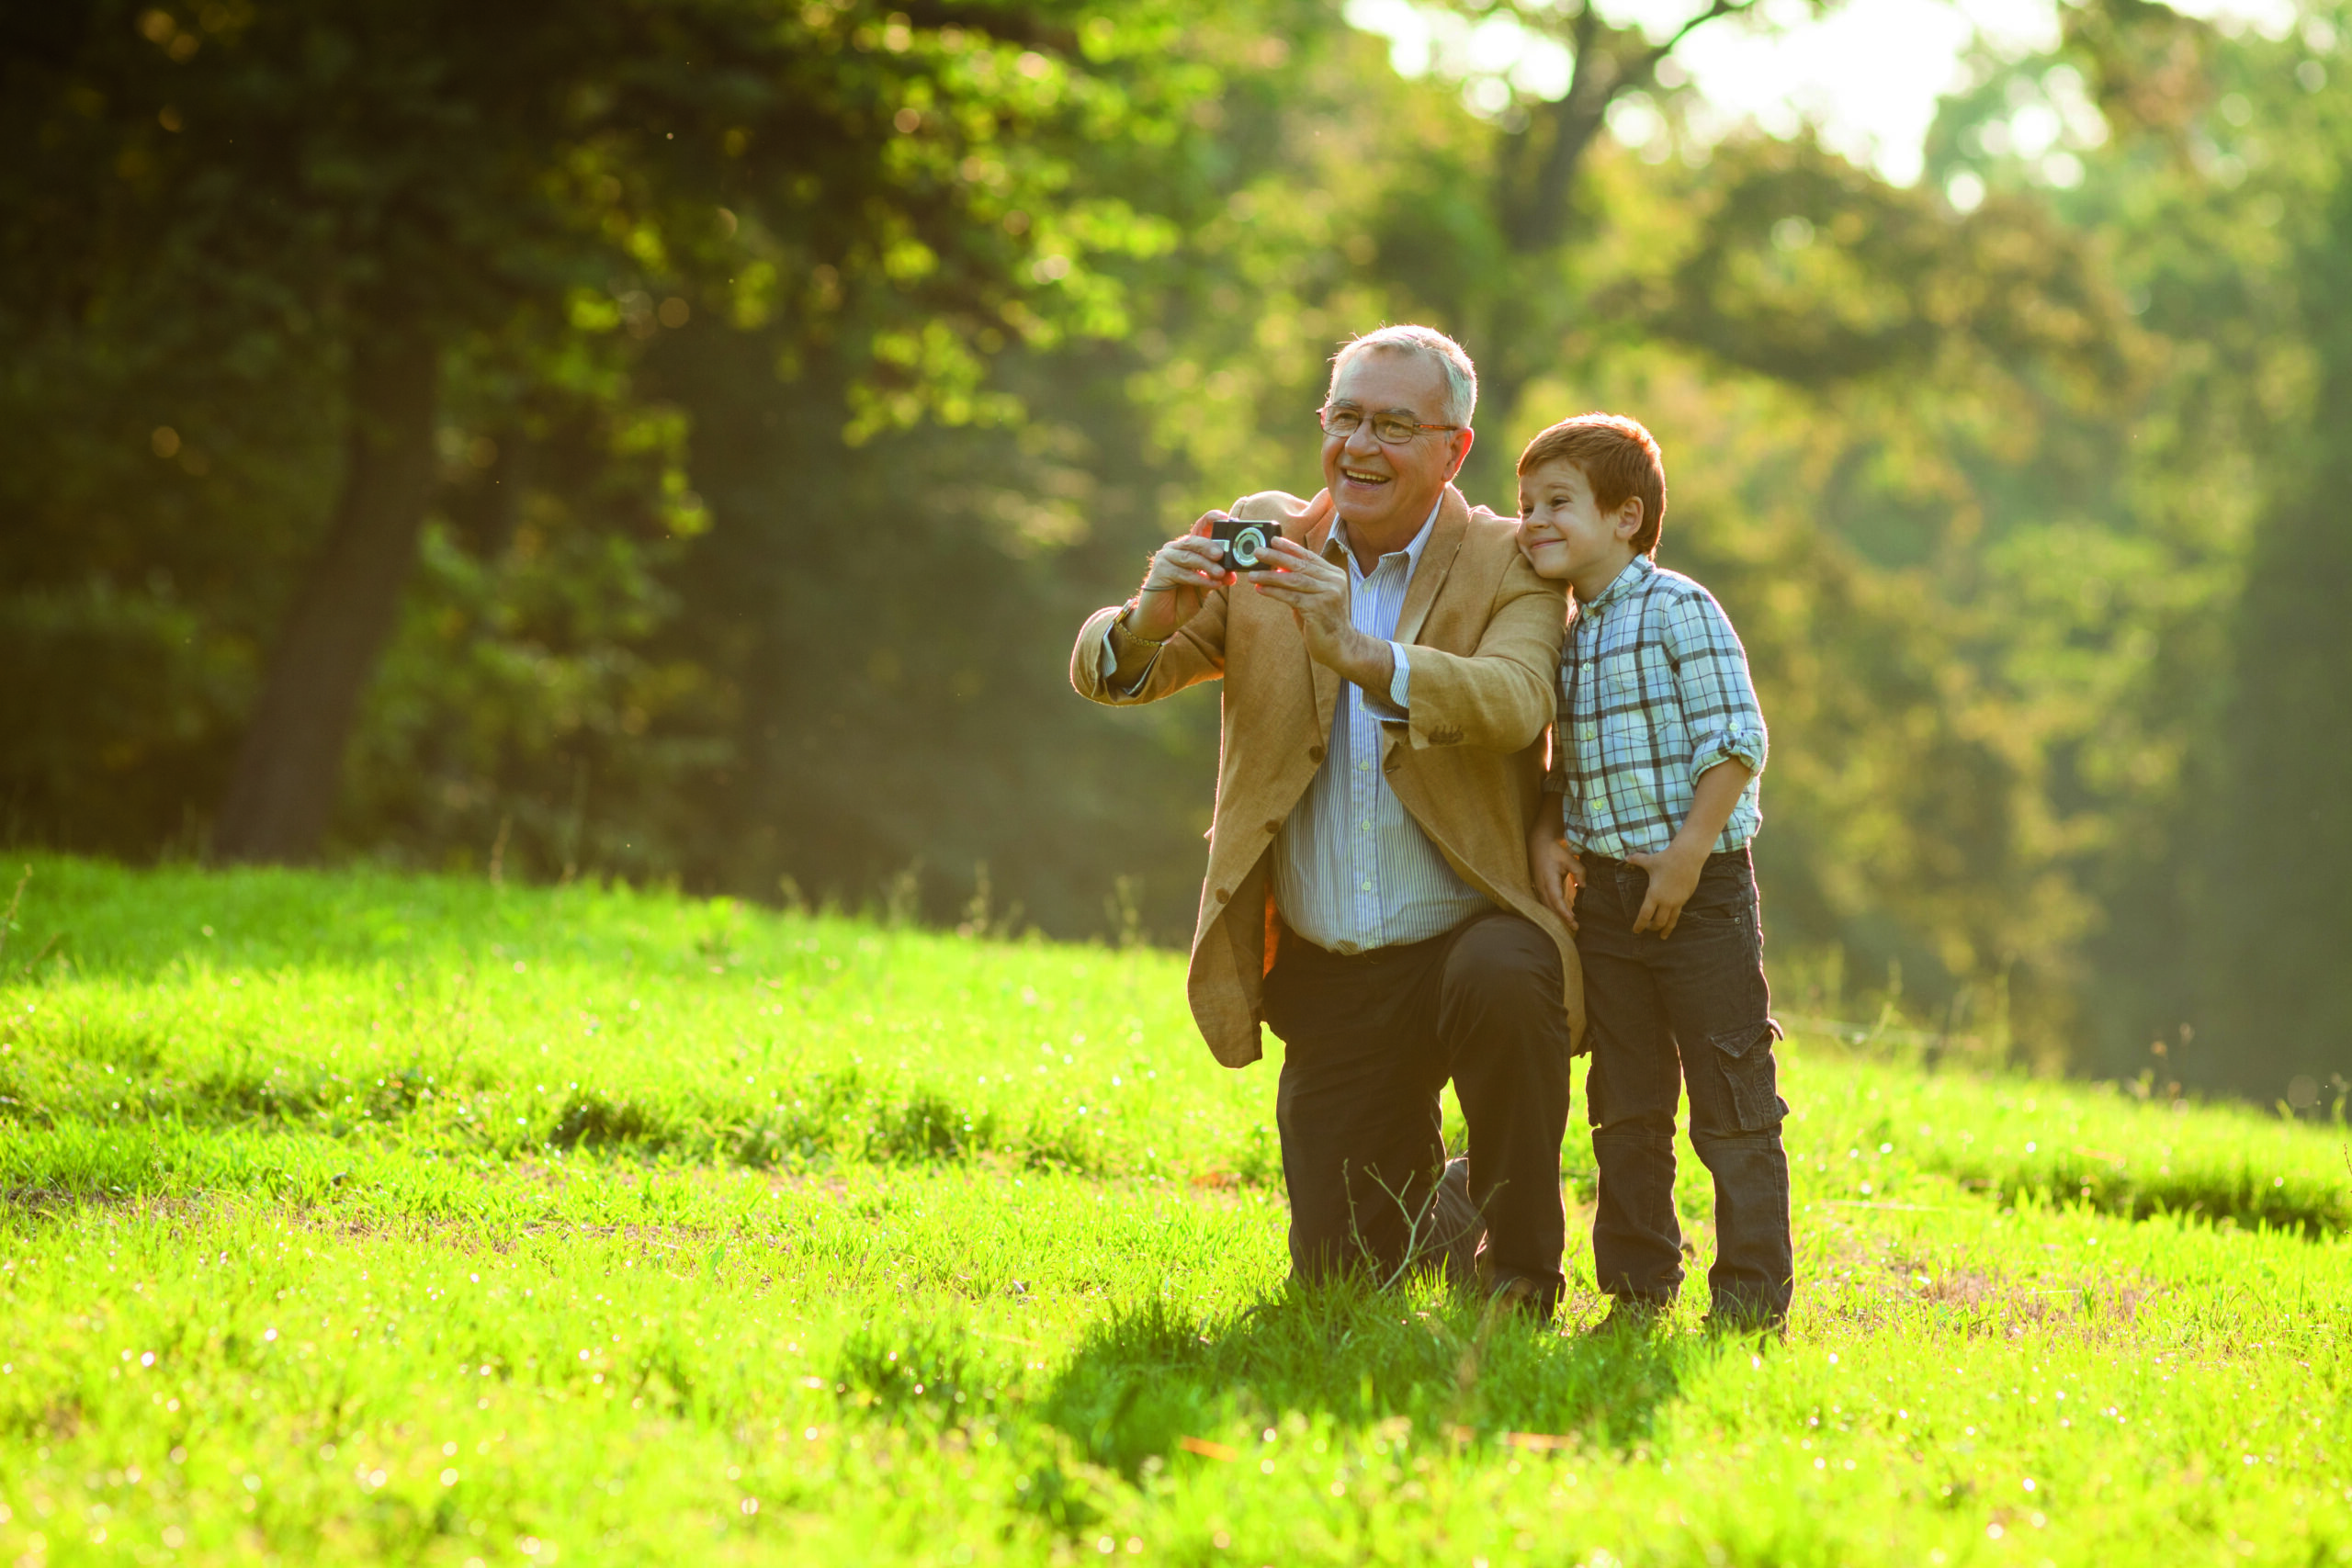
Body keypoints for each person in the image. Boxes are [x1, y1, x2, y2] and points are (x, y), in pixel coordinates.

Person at [1068, 325, 1582, 1314]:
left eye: (1393, 424)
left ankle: (1519, 1272)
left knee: (1508, 979)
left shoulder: (1506, 560)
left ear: (1452, 450)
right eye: (1344, 417)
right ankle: (1444, 1208)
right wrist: (1146, 616)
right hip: (1330, 969)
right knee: (1340, 1284)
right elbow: (1116, 675)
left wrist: (1359, 650)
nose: (1359, 446)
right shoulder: (1265, 540)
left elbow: (1518, 700)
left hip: (1467, 936)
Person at [1515, 412, 1792, 1332]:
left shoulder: (1678, 607)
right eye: (1525, 505)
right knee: (1625, 1104)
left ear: (1625, 517)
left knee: (1730, 1099)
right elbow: (1564, 764)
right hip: (1607, 900)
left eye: (1557, 503)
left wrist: (1683, 857)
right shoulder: (1566, 633)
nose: (1533, 520)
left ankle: (1751, 1298)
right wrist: (1553, 833)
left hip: (1702, 891)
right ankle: (1637, 1288)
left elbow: (1735, 739)